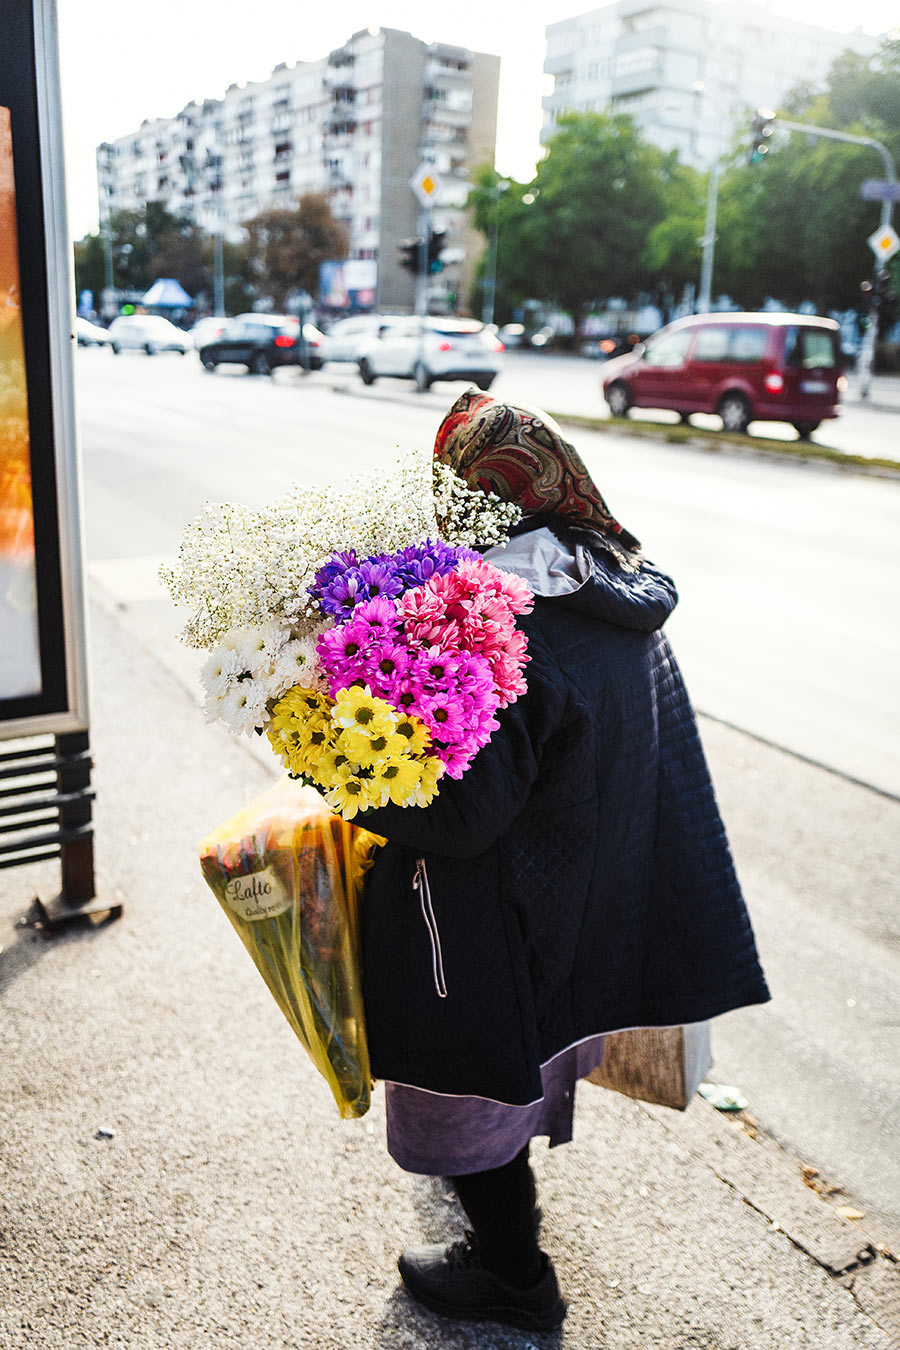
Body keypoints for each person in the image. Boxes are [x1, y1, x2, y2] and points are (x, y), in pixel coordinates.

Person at [359, 389, 770, 1333]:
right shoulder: (608, 579)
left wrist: (343, 773)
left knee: (474, 1090)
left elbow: (464, 817)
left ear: (466, 502)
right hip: (584, 885)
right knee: (516, 1076)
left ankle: (513, 1274)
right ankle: (507, 1246)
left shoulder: (503, 625)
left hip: (501, 916)